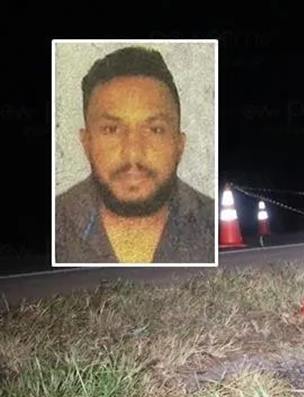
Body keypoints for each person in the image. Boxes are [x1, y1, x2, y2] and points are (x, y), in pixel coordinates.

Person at [55, 46, 214, 264]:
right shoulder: (55, 224)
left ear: (179, 144)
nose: (132, 152)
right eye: (111, 129)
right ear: (87, 143)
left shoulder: (217, 227)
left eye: (155, 130)